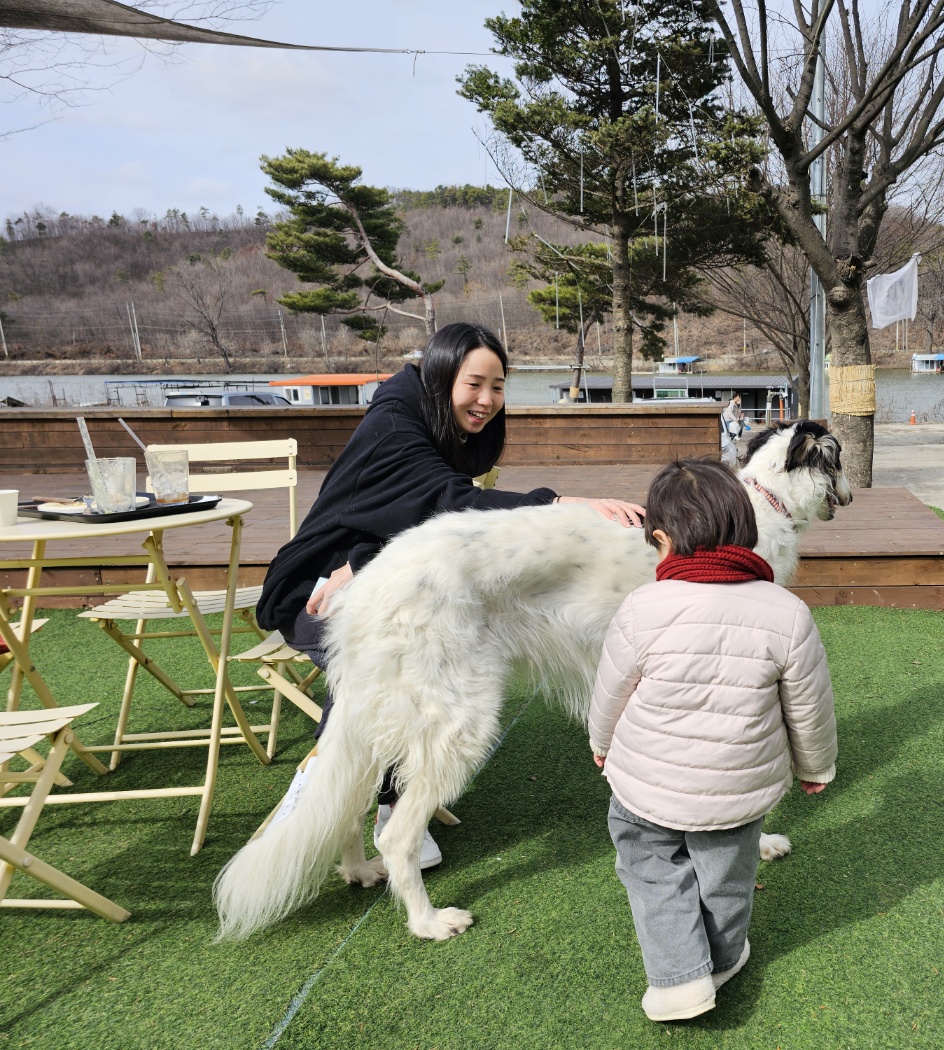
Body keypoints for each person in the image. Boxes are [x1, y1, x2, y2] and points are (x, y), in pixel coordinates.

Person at [258, 322, 644, 867]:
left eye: (498, 386)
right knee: (400, 670)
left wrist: (366, 562)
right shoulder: (395, 422)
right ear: (442, 378)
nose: (486, 400)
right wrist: (557, 502)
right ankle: (334, 799)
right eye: (474, 384)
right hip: (314, 588)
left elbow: (420, 518)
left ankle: (373, 805)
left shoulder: (436, 422)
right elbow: (444, 500)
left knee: (415, 659)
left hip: (384, 572)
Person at [588, 459, 837, 1022]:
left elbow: (610, 692)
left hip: (645, 787)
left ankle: (678, 980)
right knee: (726, 879)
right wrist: (815, 767)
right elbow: (810, 709)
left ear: (661, 540)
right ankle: (722, 960)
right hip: (737, 791)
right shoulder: (787, 614)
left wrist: (600, 742)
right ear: (747, 531)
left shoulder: (642, 607)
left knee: (653, 869)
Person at [719, 393, 746, 467]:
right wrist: (735, 419)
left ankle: (735, 439)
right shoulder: (731, 404)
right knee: (731, 434)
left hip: (733, 421)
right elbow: (730, 413)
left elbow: (739, 412)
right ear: (734, 397)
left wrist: (740, 416)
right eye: (738, 397)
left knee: (735, 432)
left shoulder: (737, 404)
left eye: (739, 398)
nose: (739, 399)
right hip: (728, 420)